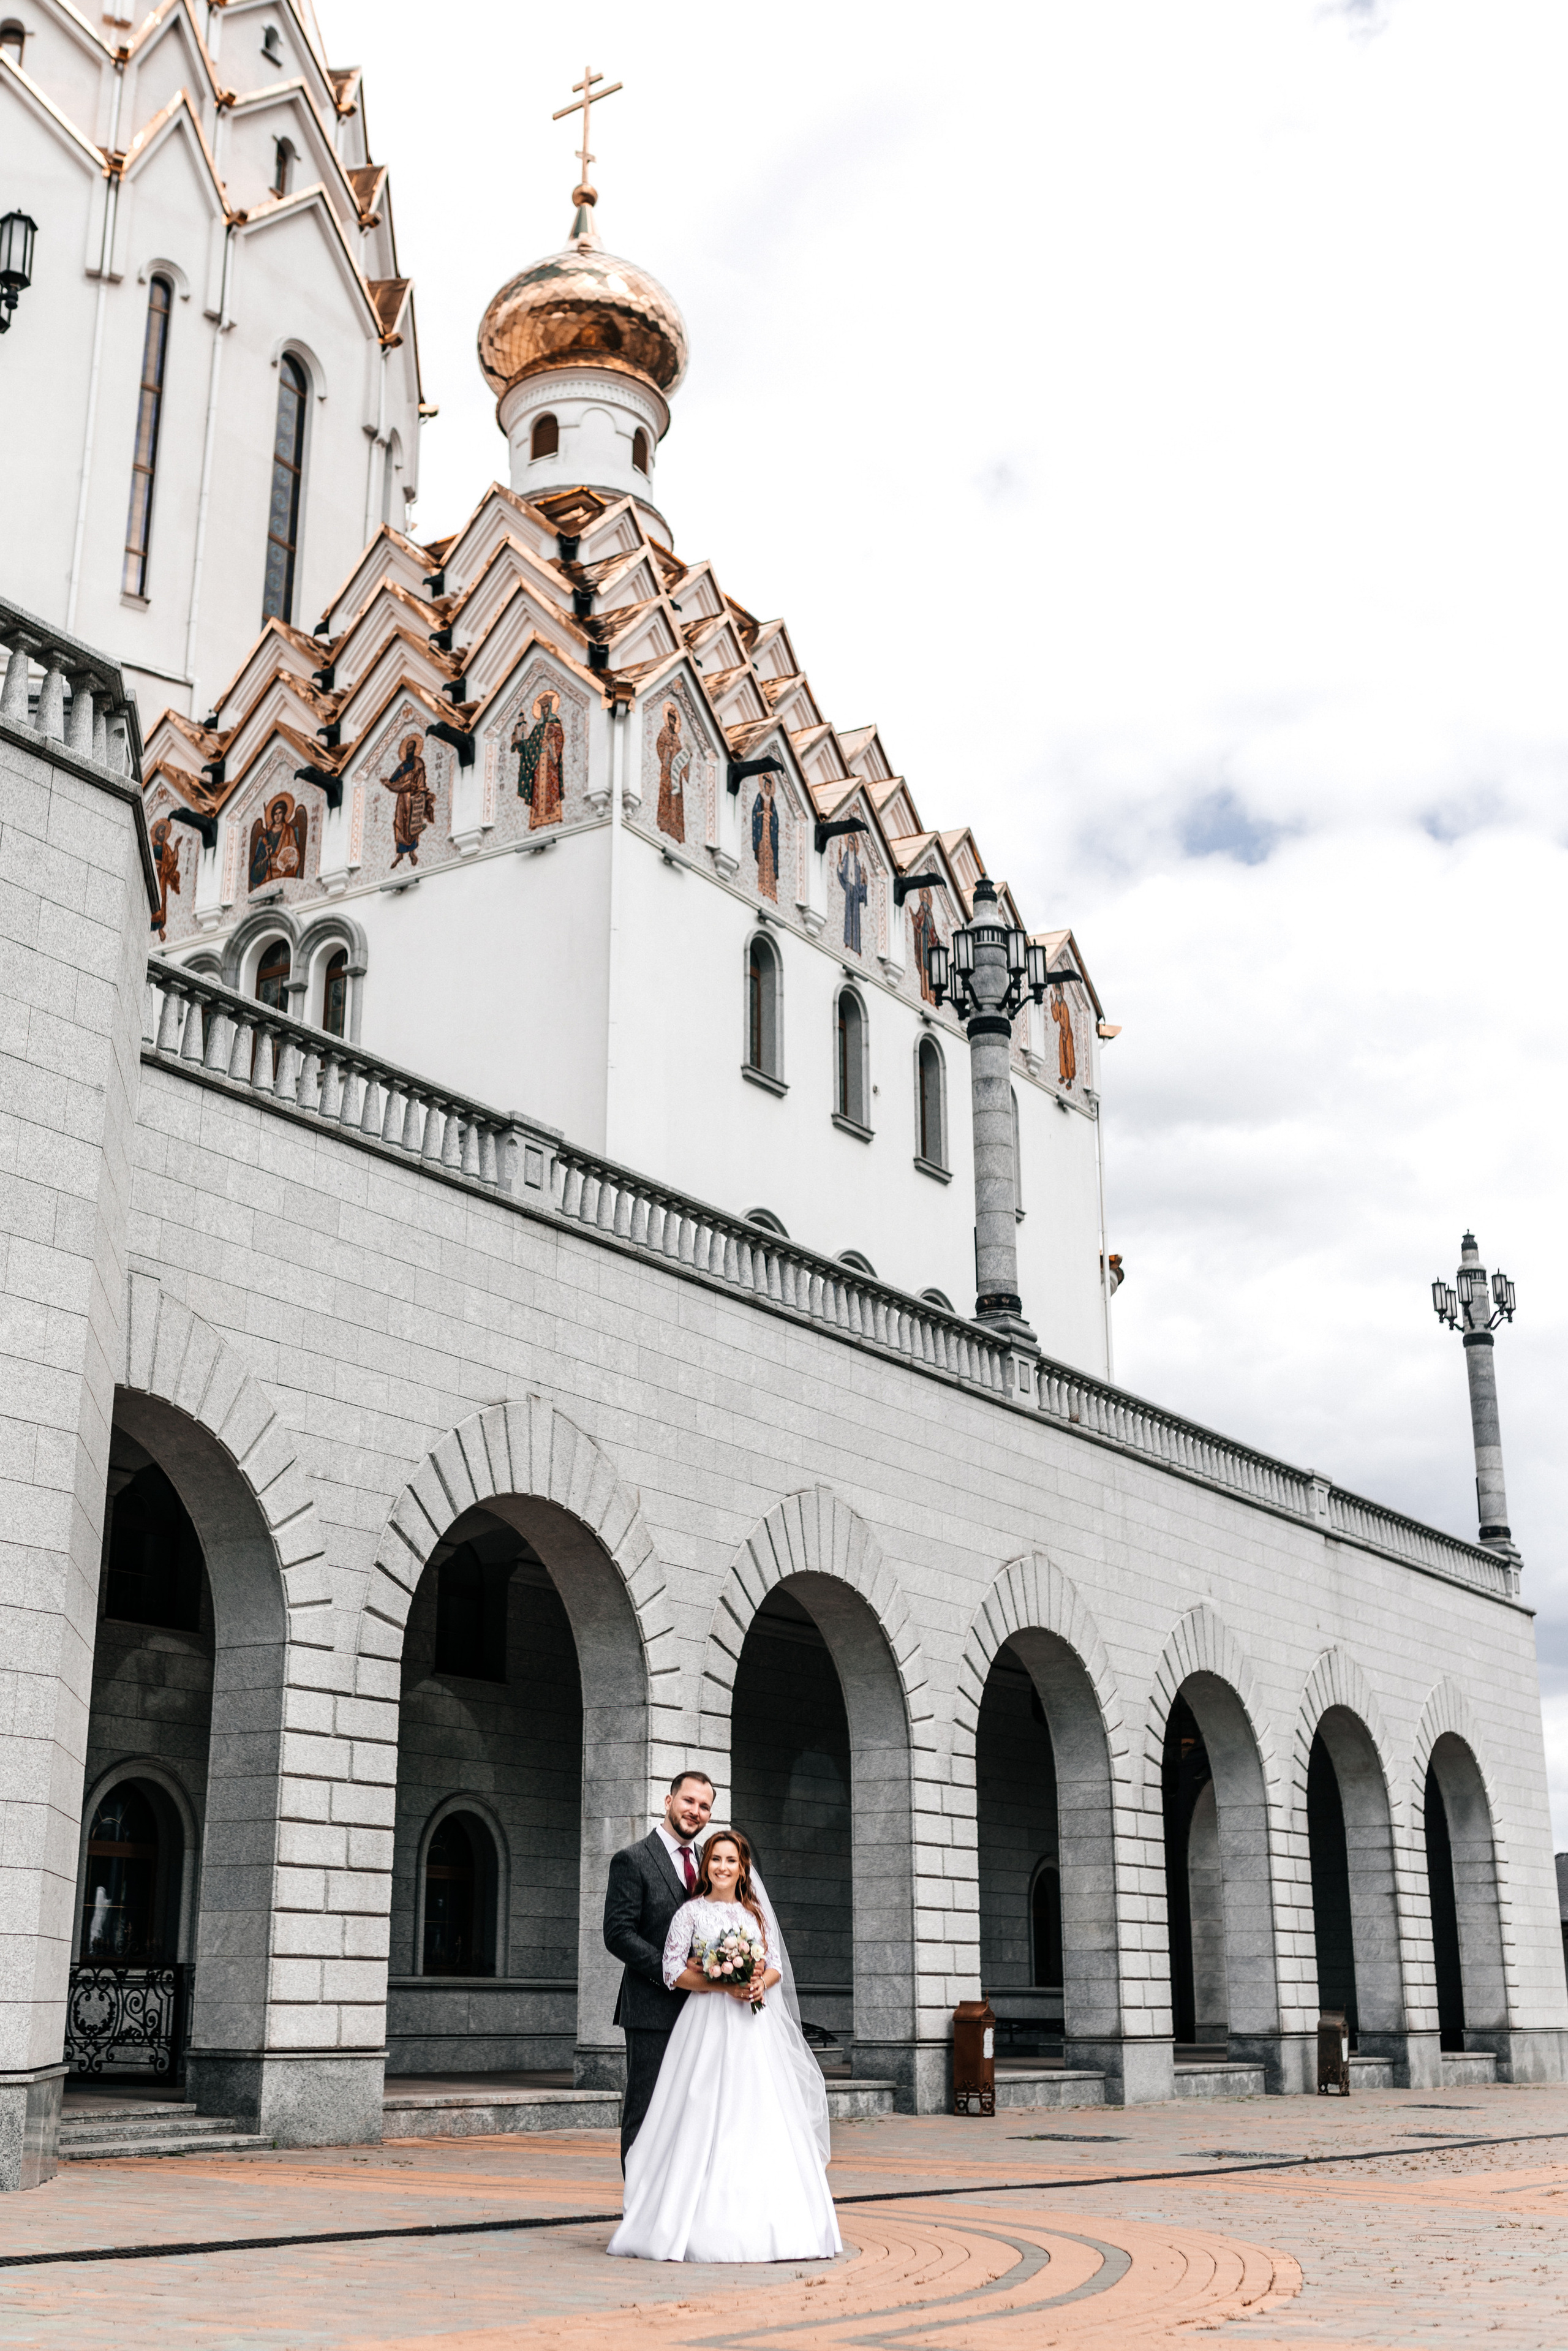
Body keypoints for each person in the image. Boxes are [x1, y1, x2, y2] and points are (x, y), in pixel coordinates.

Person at [607, 1827, 840, 2266]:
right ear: (706, 1865)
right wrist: (719, 1984)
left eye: (730, 1860)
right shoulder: (690, 1913)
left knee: (757, 2112)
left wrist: (755, 1985)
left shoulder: (754, 1914)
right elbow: (673, 1970)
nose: (722, 1867)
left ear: (742, 1867)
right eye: (715, 1859)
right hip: (705, 2025)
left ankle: (770, 2219)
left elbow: (774, 1968)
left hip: (755, 2029)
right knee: (700, 2109)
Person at [603, 1770, 714, 2168]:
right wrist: (674, 1971)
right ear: (669, 1802)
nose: (695, 1811)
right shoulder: (632, 1860)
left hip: (708, 2012)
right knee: (647, 2112)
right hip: (652, 2010)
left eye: (704, 1806)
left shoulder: (712, 1863)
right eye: (689, 1801)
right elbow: (618, 1935)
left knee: (695, 2115)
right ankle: (637, 2214)